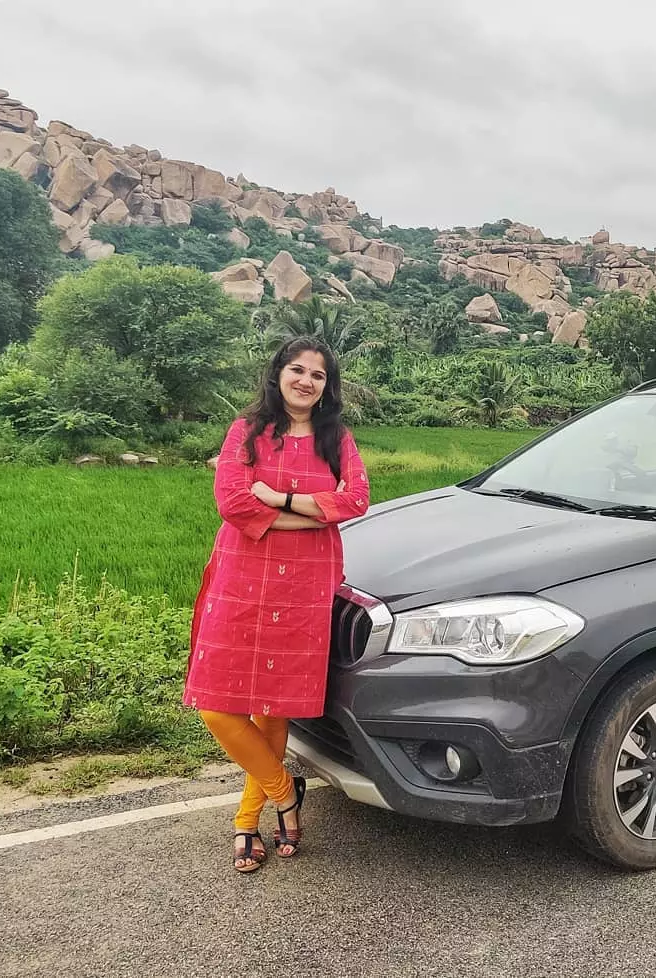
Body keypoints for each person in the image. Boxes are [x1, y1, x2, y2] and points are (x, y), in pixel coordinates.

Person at [183, 335, 370, 873]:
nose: (306, 381)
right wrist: (311, 516)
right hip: (242, 577)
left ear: (327, 386)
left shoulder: (336, 438)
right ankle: (285, 791)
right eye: (297, 370)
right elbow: (233, 503)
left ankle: (247, 820)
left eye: (318, 374)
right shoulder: (246, 431)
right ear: (278, 374)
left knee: (274, 704)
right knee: (217, 704)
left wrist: (281, 498)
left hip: (305, 583)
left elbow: (356, 499)